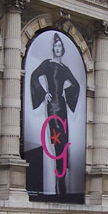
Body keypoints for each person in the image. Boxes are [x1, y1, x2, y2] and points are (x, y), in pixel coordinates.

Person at [29, 33, 80, 194]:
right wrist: (44, 93)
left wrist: (66, 92)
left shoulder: (65, 69)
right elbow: (34, 76)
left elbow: (76, 85)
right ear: (53, 48)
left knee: (63, 141)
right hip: (52, 105)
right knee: (57, 140)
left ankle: (61, 180)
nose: (58, 48)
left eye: (60, 46)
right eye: (56, 46)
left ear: (62, 49)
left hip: (62, 106)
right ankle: (60, 181)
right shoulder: (47, 64)